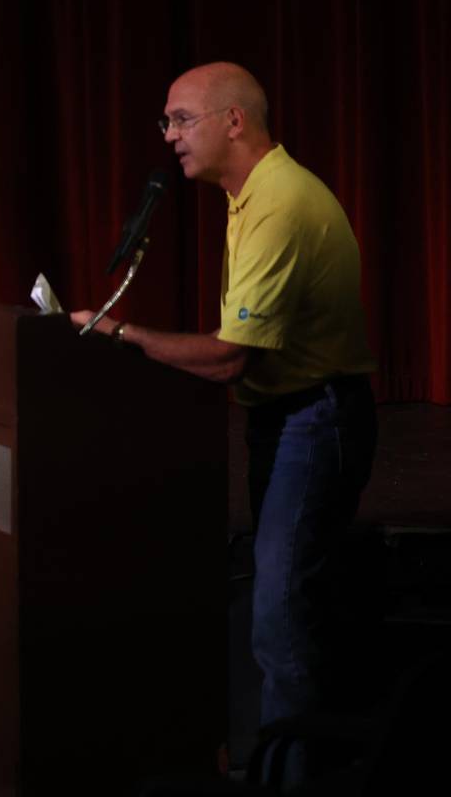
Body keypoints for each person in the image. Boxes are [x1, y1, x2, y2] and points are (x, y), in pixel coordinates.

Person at [70, 61, 378, 787]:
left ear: (233, 121)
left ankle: (292, 777)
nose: (169, 136)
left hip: (316, 420)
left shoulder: (279, 205)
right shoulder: (250, 196)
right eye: (166, 122)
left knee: (279, 615)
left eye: (181, 119)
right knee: (292, 606)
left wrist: (123, 335)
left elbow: (230, 359)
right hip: (289, 417)